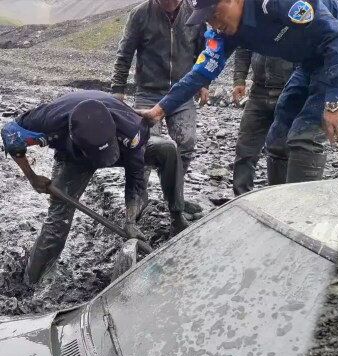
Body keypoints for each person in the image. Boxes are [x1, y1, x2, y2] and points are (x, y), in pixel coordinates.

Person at [137, 0, 338, 184]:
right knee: (280, 128)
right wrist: (160, 110)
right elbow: (201, 72)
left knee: (307, 133)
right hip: (310, 61)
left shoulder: (276, 3)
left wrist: (334, 101)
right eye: (207, 20)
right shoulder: (225, 32)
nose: (214, 24)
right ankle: (278, 205)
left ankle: (299, 219)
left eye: (215, 15)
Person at [1, 90, 189, 284]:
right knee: (59, 214)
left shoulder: (132, 129)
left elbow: (136, 179)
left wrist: (130, 220)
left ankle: (177, 216)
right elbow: (10, 134)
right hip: (75, 158)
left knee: (167, 149)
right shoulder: (47, 120)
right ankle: (32, 281)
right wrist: (32, 177)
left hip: (119, 148)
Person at [112, 0, 208, 214]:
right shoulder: (140, 14)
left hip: (183, 91)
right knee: (143, 146)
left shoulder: (194, 13)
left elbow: (204, 51)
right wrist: (118, 89)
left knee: (186, 142)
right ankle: (139, 197)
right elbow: (125, 52)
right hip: (148, 92)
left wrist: (203, 83)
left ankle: (175, 197)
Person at [231, 48, 294, 195]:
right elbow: (243, 47)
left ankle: (280, 200)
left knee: (281, 150)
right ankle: (241, 197)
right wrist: (239, 79)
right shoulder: (255, 24)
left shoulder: (296, 24)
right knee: (245, 147)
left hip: (289, 91)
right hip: (258, 91)